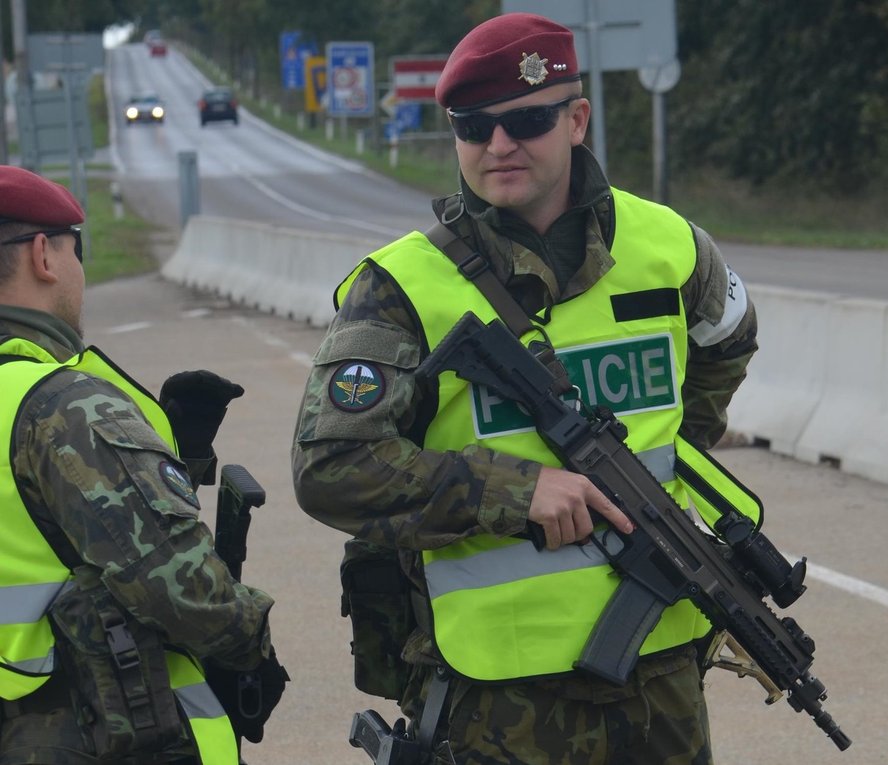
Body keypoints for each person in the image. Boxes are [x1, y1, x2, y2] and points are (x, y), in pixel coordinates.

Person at [293, 12, 757, 765]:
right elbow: (329, 468)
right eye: (474, 127)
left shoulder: (671, 244)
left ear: (577, 119)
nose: (499, 146)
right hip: (499, 692)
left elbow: (727, 340)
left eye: (528, 120)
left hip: (663, 671)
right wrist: (514, 490)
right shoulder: (402, 287)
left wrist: (665, 454)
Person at [0, 165, 287, 764]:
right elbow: (182, 593)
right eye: (76, 249)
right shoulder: (63, 407)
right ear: (42, 257)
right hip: (93, 732)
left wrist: (172, 463)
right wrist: (253, 638)